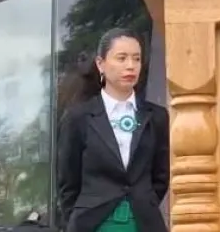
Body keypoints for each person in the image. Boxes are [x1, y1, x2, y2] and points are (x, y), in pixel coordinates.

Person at [57, 29, 170, 232]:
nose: (130, 66)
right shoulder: (78, 117)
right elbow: (68, 183)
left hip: (143, 222)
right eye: (122, 58)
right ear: (101, 64)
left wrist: (144, 201)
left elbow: (160, 177)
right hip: (94, 223)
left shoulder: (157, 116)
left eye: (136, 59)